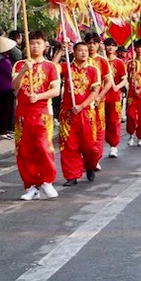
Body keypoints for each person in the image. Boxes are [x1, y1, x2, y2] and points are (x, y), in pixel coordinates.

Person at [11, 31, 61, 201]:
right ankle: (31, 185)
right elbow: (15, 86)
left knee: (44, 148)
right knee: (24, 152)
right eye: (32, 43)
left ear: (44, 45)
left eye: (38, 43)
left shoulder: (50, 66)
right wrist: (25, 70)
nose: (35, 46)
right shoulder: (19, 64)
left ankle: (47, 180)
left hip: (42, 114)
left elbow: (55, 90)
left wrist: (38, 97)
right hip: (22, 115)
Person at [56, 41, 100, 186]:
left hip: (86, 112)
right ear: (73, 52)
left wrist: (82, 105)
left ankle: (90, 165)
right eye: (80, 50)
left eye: (85, 51)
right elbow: (51, 68)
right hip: (68, 113)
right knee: (69, 145)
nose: (83, 53)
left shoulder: (93, 70)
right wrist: (60, 51)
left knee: (90, 147)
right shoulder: (67, 67)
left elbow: (95, 91)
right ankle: (72, 175)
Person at [85, 32, 113, 166]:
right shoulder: (79, 59)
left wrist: (99, 96)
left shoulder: (102, 61)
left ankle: (96, 158)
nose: (91, 46)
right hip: (83, 102)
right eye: (89, 43)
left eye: (94, 43)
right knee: (86, 130)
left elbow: (108, 82)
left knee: (98, 128)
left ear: (98, 45)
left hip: (98, 101)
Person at [103, 38, 127, 158]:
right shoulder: (100, 61)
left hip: (114, 96)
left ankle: (113, 146)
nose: (110, 48)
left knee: (113, 121)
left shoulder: (119, 62)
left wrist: (118, 87)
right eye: (108, 45)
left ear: (116, 48)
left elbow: (124, 79)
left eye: (113, 45)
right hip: (101, 95)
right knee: (100, 121)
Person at [0, 35, 17, 139]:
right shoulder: (3, 60)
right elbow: (10, 73)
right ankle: (2, 130)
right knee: (5, 110)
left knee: (3, 109)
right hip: (6, 87)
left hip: (1, 86)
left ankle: (2, 129)